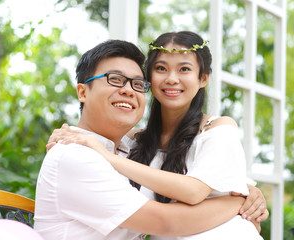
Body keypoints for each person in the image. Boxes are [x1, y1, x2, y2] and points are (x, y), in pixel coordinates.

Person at [46, 32, 268, 239]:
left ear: (203, 78)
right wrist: (237, 202)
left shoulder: (216, 130)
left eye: (184, 69)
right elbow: (164, 221)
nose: (172, 79)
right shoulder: (130, 144)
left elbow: (197, 190)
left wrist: (248, 197)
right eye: (161, 68)